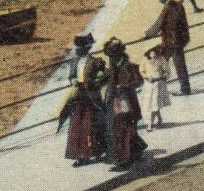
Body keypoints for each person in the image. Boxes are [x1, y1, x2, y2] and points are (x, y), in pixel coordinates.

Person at [57, 38, 107, 166]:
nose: (77, 50)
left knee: (91, 125)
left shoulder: (95, 61)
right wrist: (73, 79)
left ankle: (96, 152)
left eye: (80, 48)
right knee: (77, 126)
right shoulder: (74, 61)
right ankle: (81, 155)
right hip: (79, 96)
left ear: (86, 48)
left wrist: (96, 82)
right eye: (77, 48)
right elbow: (72, 75)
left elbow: (104, 76)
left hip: (91, 96)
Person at [102, 38, 147, 172]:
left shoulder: (128, 66)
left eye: (112, 55)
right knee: (125, 129)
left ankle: (124, 160)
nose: (110, 58)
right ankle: (135, 152)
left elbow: (139, 81)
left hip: (126, 102)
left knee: (123, 130)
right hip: (117, 103)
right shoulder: (113, 67)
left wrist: (124, 86)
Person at [143, 0, 192, 95]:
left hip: (171, 42)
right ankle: (183, 88)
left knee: (160, 63)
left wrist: (147, 34)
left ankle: (181, 89)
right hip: (179, 40)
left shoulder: (167, 8)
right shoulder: (179, 4)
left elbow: (158, 24)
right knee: (176, 64)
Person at [144, 46, 172, 128]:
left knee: (154, 103)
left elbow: (167, 72)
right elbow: (142, 72)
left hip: (159, 85)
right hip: (149, 85)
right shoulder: (145, 61)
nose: (153, 54)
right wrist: (147, 77)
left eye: (155, 52)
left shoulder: (162, 59)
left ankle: (150, 124)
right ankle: (159, 118)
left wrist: (161, 77)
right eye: (151, 52)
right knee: (154, 103)